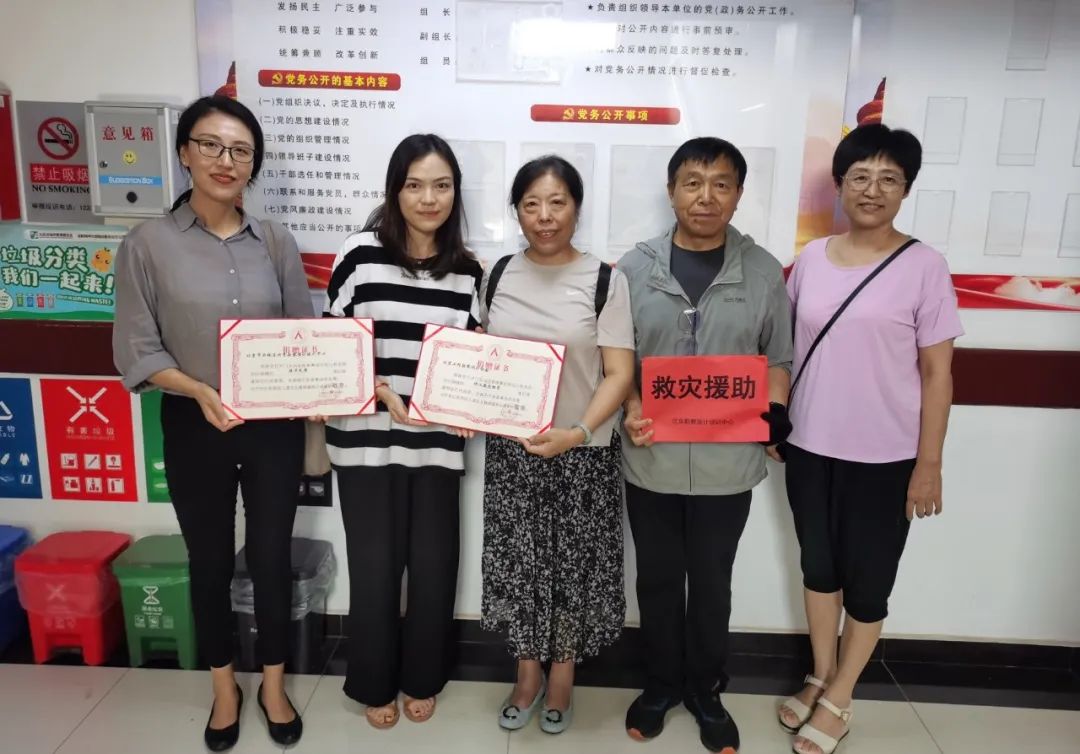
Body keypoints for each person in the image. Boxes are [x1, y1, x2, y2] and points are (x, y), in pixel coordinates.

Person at [112, 95, 310, 751]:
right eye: (212, 145)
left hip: (273, 425)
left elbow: (304, 335)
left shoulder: (275, 241)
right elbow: (137, 348)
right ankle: (224, 686)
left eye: (241, 150)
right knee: (210, 561)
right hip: (193, 421)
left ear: (254, 163)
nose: (226, 160)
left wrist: (324, 380)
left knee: (273, 556)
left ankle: (273, 683)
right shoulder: (147, 244)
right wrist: (198, 389)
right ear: (184, 153)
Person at [777, 124, 963, 754]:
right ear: (839, 185)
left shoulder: (925, 267)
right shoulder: (811, 259)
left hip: (887, 455)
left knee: (869, 579)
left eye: (889, 178)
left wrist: (929, 463)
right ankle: (820, 673)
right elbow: (786, 352)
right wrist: (776, 420)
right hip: (809, 446)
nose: (872, 189)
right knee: (818, 567)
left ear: (906, 189)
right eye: (860, 176)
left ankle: (841, 696)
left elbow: (938, 374)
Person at [619, 137, 794, 753]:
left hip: (728, 465)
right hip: (652, 458)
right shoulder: (634, 269)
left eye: (722, 184)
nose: (706, 196)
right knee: (658, 580)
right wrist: (632, 407)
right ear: (671, 191)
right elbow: (619, 362)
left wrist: (774, 412)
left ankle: (706, 689)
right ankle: (660, 685)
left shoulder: (763, 270)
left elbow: (777, 358)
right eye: (692, 182)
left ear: (738, 194)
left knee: (713, 583)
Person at [322, 134, 482, 730]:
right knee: (374, 569)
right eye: (414, 185)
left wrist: (474, 402)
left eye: (441, 185)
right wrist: (383, 392)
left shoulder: (468, 270)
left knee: (435, 567)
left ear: (455, 193)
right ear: (394, 190)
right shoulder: (359, 254)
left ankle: (422, 677)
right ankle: (373, 681)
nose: (428, 198)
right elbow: (333, 349)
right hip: (365, 439)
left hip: (436, 442)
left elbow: (473, 359)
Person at [481, 156, 636, 735]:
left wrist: (577, 433)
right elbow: (478, 358)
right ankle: (526, 674)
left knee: (575, 568)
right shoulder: (497, 274)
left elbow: (619, 373)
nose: (544, 217)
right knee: (521, 564)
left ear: (576, 207)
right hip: (513, 451)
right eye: (531, 205)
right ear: (517, 211)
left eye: (557, 202)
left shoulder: (604, 280)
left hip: (582, 452)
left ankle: (564, 675)